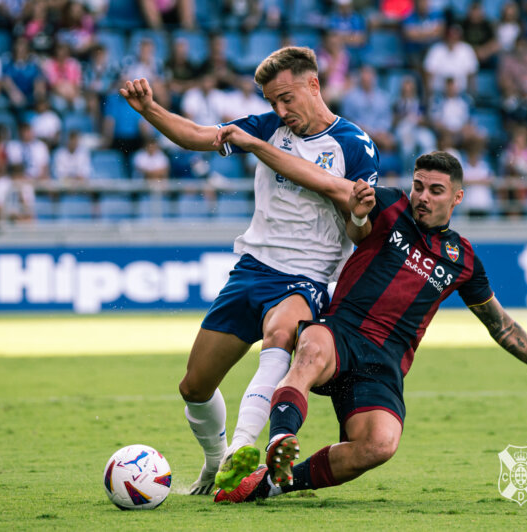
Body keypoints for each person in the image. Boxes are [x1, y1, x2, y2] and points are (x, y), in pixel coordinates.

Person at [207, 150, 527, 503]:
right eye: (418, 186)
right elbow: (356, 226)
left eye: (435, 190)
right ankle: (280, 439)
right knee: (310, 349)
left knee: (380, 444)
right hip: (340, 333)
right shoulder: (390, 205)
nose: (422, 196)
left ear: (457, 197)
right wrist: (357, 211)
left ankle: (270, 484)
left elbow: (502, 326)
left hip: (384, 364)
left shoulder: (463, 258)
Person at [118, 46, 379, 496]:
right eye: (272, 101)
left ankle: (240, 450)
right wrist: (150, 109)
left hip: (308, 276)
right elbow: (196, 136)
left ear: (313, 84)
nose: (280, 110)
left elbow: (361, 232)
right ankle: (215, 459)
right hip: (252, 269)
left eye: (286, 98)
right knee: (194, 386)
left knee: (280, 335)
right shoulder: (268, 128)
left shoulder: (354, 145)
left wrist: (357, 214)